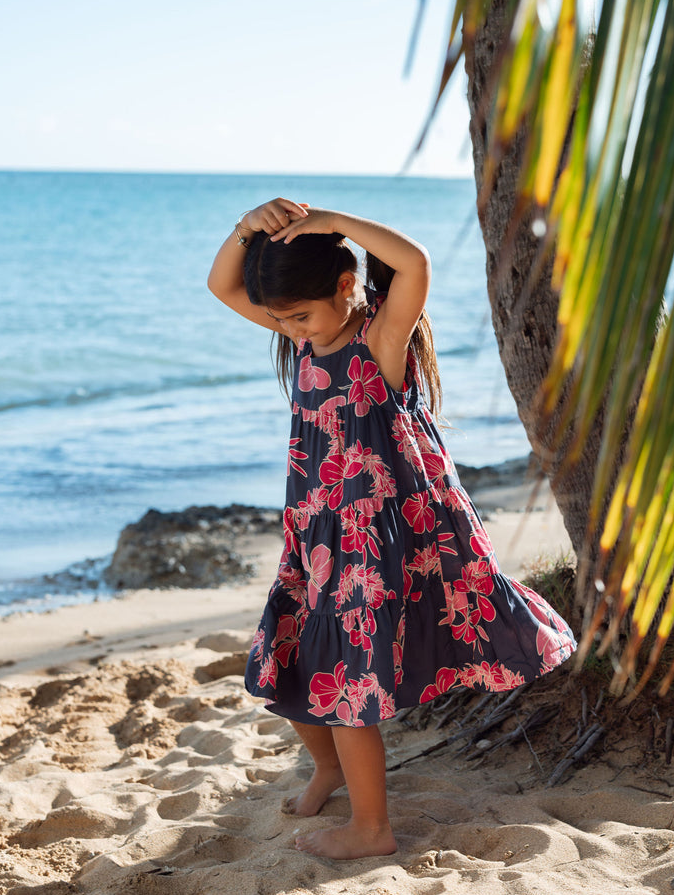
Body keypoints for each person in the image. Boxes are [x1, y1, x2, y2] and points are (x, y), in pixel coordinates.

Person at [207, 197, 576, 859]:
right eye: (286, 319)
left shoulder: (380, 340)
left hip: (378, 537)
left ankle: (371, 829)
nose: (294, 331)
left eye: (300, 315)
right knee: (290, 660)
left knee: (347, 681)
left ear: (346, 287)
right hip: (319, 531)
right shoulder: (307, 335)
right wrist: (246, 227)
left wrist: (336, 222)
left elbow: (413, 262)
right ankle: (327, 770)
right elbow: (221, 285)